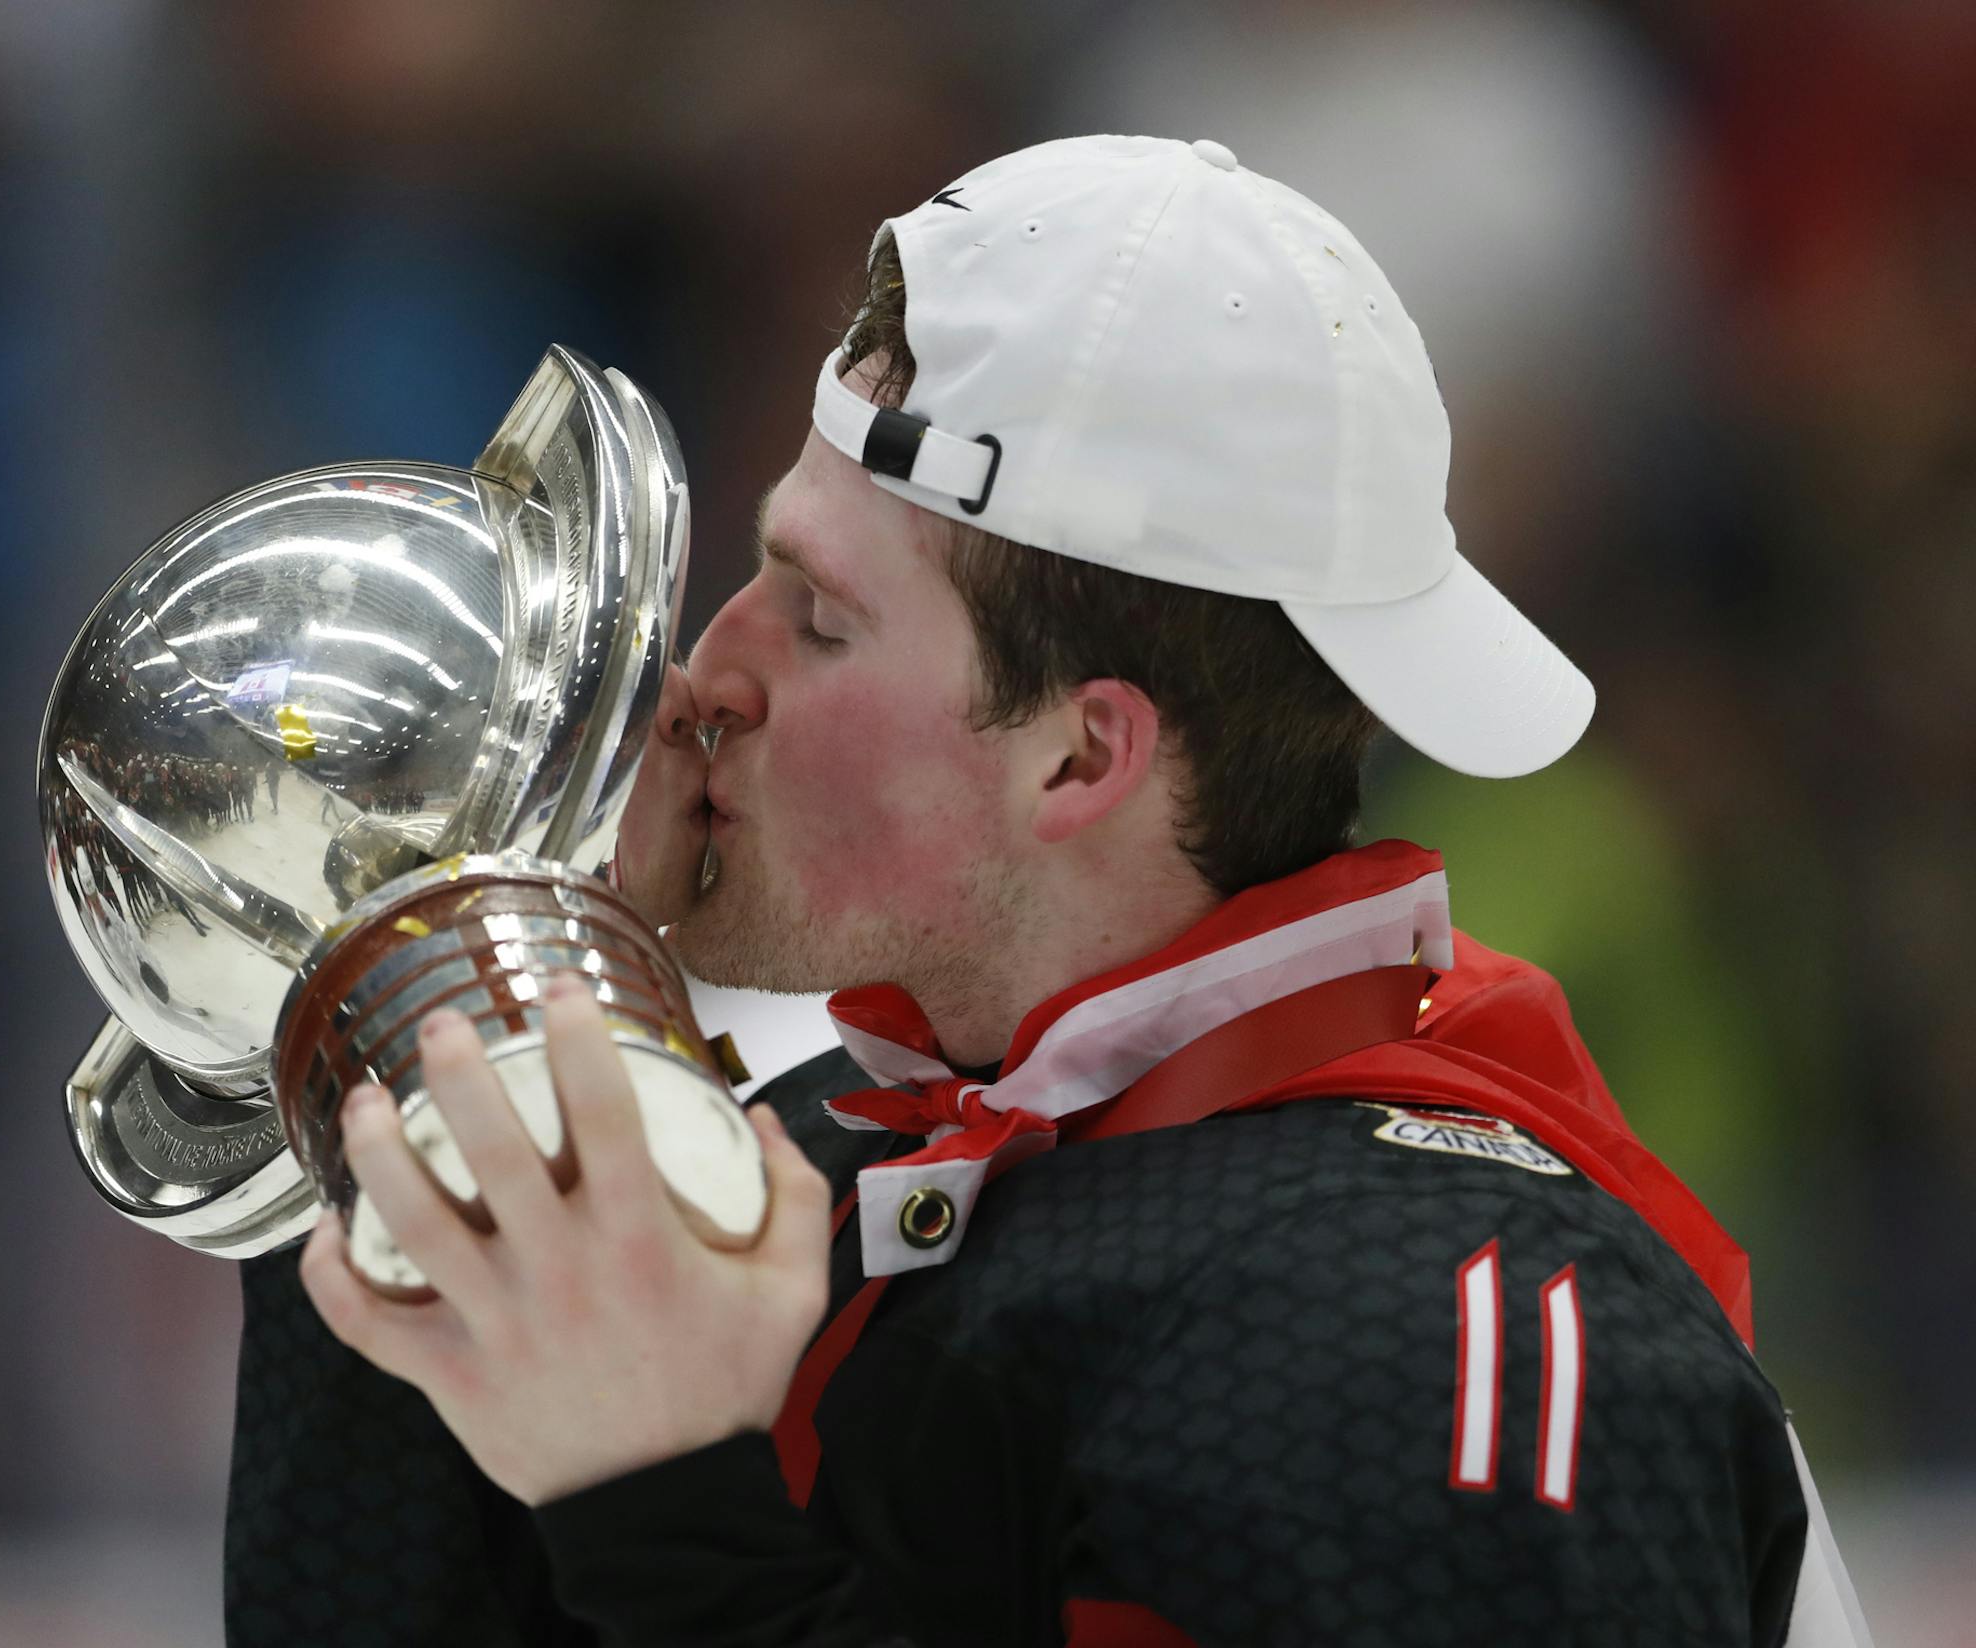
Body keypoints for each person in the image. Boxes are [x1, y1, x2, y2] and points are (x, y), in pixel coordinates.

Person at [225, 136, 1861, 1646]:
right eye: (760, 563)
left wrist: (667, 1511)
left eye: (818, 614)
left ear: (1081, 762)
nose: (705, 672)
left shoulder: (1440, 1330)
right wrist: (452, 1015)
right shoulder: (834, 1157)